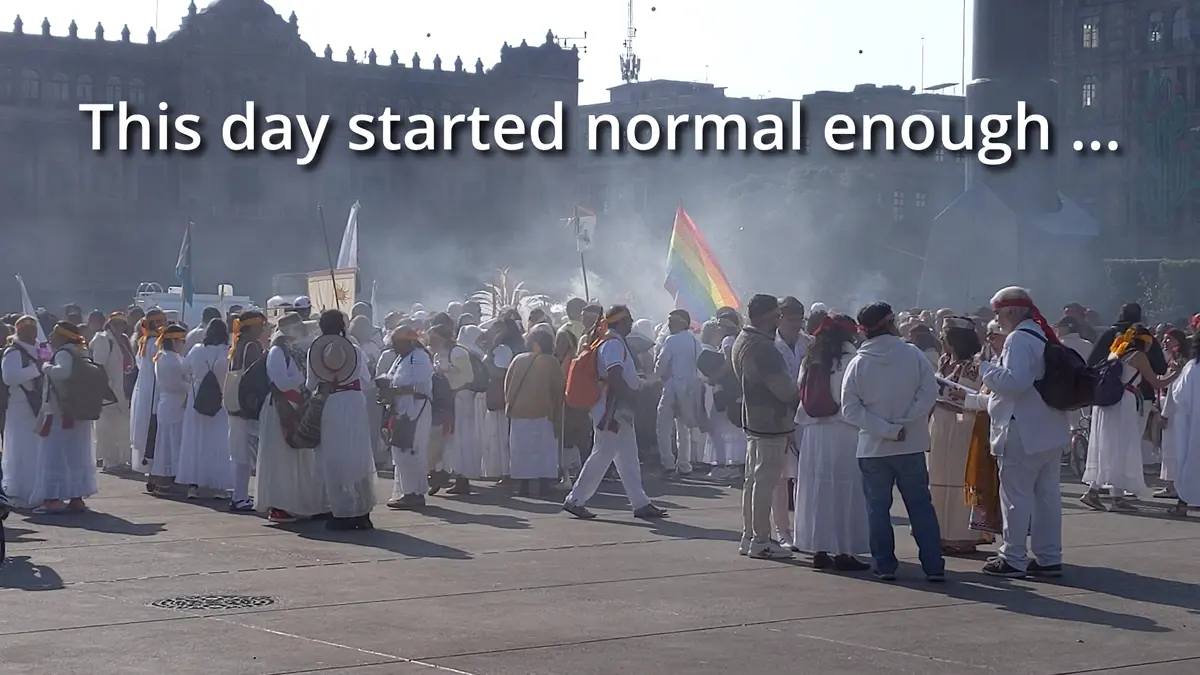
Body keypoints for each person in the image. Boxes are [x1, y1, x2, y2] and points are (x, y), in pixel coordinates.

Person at [954, 286, 1071, 578]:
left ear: (1008, 311)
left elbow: (1015, 383)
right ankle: (1048, 557)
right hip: (1048, 428)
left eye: (997, 313)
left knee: (1016, 498)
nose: (997, 319)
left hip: (1022, 431)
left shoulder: (1019, 339)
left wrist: (984, 368)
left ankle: (1014, 556)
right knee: (1046, 499)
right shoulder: (1041, 334)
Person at [841, 302, 943, 582]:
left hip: (873, 448)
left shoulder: (858, 363)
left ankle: (885, 565)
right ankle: (933, 566)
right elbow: (929, 391)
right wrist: (904, 423)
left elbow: (849, 409)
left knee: (877, 510)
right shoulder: (912, 355)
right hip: (910, 445)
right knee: (920, 506)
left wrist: (884, 429)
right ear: (890, 322)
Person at [562, 305, 667, 520]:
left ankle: (640, 502)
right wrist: (631, 394)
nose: (631, 323)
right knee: (603, 452)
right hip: (612, 405)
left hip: (616, 404)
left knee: (627, 454)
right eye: (628, 319)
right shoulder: (612, 343)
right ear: (621, 321)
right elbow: (615, 374)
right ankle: (575, 499)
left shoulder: (612, 341)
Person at [792, 313, 870, 571]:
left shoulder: (810, 358)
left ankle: (819, 547)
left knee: (818, 489)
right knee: (845, 489)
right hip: (843, 430)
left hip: (814, 432)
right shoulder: (851, 360)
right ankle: (844, 549)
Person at [731, 294, 799, 560]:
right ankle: (760, 540)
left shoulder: (743, 340)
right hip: (770, 421)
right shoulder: (764, 348)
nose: (778, 322)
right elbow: (784, 389)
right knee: (764, 483)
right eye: (776, 317)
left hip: (754, 420)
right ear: (765, 317)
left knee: (753, 482)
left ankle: (750, 536)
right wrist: (801, 398)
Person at [1081, 323, 1176, 512]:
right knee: (1121, 447)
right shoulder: (1139, 356)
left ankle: (1094, 492)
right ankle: (1117, 499)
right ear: (1145, 343)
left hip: (1106, 403)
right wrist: (1176, 372)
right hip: (1123, 402)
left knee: (1107, 447)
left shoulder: (1116, 351)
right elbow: (1156, 383)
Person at [306, 310, 376, 530]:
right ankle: (363, 511)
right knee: (357, 454)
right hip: (355, 403)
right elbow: (366, 381)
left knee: (334, 457)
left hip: (332, 402)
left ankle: (342, 511)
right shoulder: (354, 350)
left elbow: (310, 384)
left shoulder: (316, 352)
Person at [928, 316, 991, 555]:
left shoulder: (976, 364)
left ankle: (962, 535)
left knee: (960, 479)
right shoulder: (944, 360)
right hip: (941, 424)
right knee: (939, 477)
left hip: (964, 427)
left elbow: (968, 395)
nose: (942, 340)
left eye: (945, 336)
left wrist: (947, 395)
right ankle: (940, 533)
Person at [257, 312, 328, 524]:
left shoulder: (292, 350)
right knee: (281, 458)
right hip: (280, 408)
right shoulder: (277, 351)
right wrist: (302, 379)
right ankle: (280, 505)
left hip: (295, 406)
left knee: (299, 457)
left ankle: (300, 503)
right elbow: (280, 382)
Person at [30, 322, 98, 515]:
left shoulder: (63, 354)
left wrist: (46, 366)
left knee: (54, 455)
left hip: (61, 414)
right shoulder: (81, 352)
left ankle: (53, 500)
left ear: (62, 336)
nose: (51, 337)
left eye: (54, 334)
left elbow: (63, 373)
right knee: (76, 455)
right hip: (77, 412)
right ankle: (76, 498)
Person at [176, 319, 233, 500]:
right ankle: (220, 486)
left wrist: (193, 382)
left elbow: (183, 370)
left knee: (195, 441)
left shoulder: (197, 349)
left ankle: (193, 486)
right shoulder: (226, 352)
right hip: (219, 399)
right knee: (218, 442)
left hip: (197, 397)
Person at [505, 329, 565, 497]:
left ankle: (524, 485)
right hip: (544, 411)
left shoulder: (518, 360)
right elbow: (558, 389)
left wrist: (510, 405)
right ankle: (544, 484)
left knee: (521, 449)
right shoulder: (551, 362)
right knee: (544, 449)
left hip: (519, 412)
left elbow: (508, 384)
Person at [384, 326, 435, 509]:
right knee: (401, 451)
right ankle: (408, 491)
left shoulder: (419, 357)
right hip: (401, 410)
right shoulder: (400, 358)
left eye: (396, 343)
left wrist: (396, 391)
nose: (394, 347)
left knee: (412, 451)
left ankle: (414, 493)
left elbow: (421, 389)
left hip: (416, 410)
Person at [654, 309, 704, 478]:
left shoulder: (671, 340)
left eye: (672, 321)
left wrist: (656, 376)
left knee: (663, 427)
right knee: (683, 429)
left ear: (682, 322)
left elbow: (661, 365)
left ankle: (668, 462)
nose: (669, 324)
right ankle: (684, 463)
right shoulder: (695, 342)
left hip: (672, 387)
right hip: (689, 388)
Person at [2, 316, 45, 507]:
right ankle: (22, 491)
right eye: (26, 329)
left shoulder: (40, 350)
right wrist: (35, 370)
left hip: (39, 407)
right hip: (20, 406)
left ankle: (39, 489)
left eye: (33, 329)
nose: (31, 333)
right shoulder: (13, 352)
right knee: (22, 450)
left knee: (38, 451)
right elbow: (9, 378)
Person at [227, 310, 267, 512]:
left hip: (236, 405)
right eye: (260, 325)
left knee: (239, 454)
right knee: (248, 454)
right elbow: (257, 376)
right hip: (247, 406)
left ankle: (239, 495)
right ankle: (241, 496)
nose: (263, 329)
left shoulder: (238, 344)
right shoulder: (251, 346)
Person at [90, 312, 134, 472]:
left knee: (122, 428)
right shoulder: (103, 340)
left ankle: (122, 459)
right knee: (106, 428)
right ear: (110, 324)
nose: (120, 327)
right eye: (116, 324)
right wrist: (105, 387)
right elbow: (98, 365)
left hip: (124, 390)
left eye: (122, 324)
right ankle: (110, 461)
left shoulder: (125, 340)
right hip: (108, 391)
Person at [147, 324, 189, 493]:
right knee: (172, 443)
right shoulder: (171, 359)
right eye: (182, 340)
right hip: (174, 404)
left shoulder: (164, 356)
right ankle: (167, 479)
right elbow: (176, 384)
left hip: (167, 403)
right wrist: (193, 386)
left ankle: (165, 478)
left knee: (166, 443)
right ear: (174, 341)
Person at [131, 308, 168, 473]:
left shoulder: (144, 340)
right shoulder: (154, 342)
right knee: (151, 424)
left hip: (144, 386)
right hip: (153, 387)